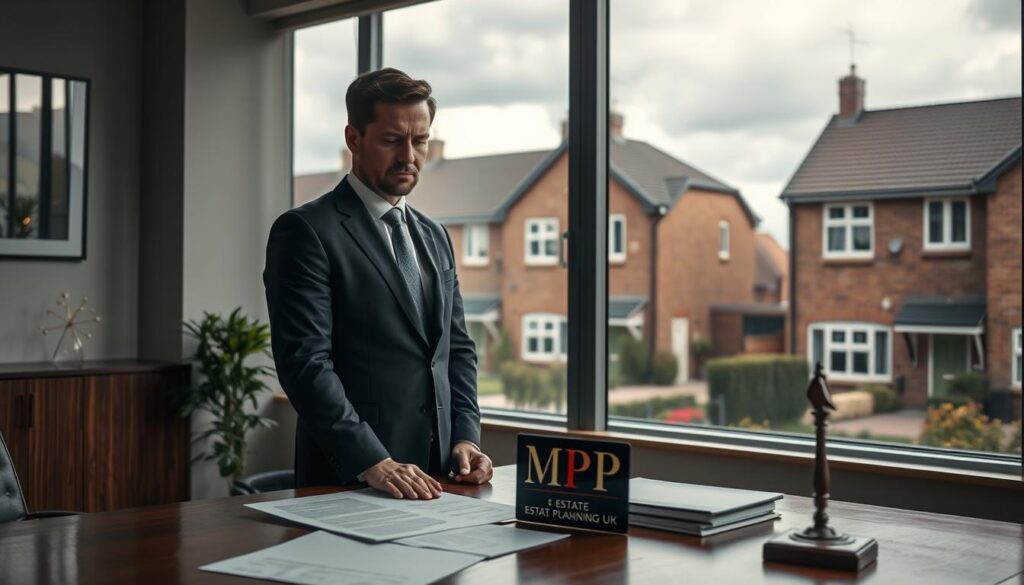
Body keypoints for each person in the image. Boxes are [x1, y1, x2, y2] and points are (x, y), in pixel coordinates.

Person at [264, 68, 493, 499]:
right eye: (392, 140)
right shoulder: (305, 231)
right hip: (349, 479)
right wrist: (373, 461)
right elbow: (305, 364)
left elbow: (457, 349)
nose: (409, 156)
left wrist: (466, 437)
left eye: (420, 141)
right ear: (353, 139)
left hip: (441, 478)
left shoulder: (435, 235)